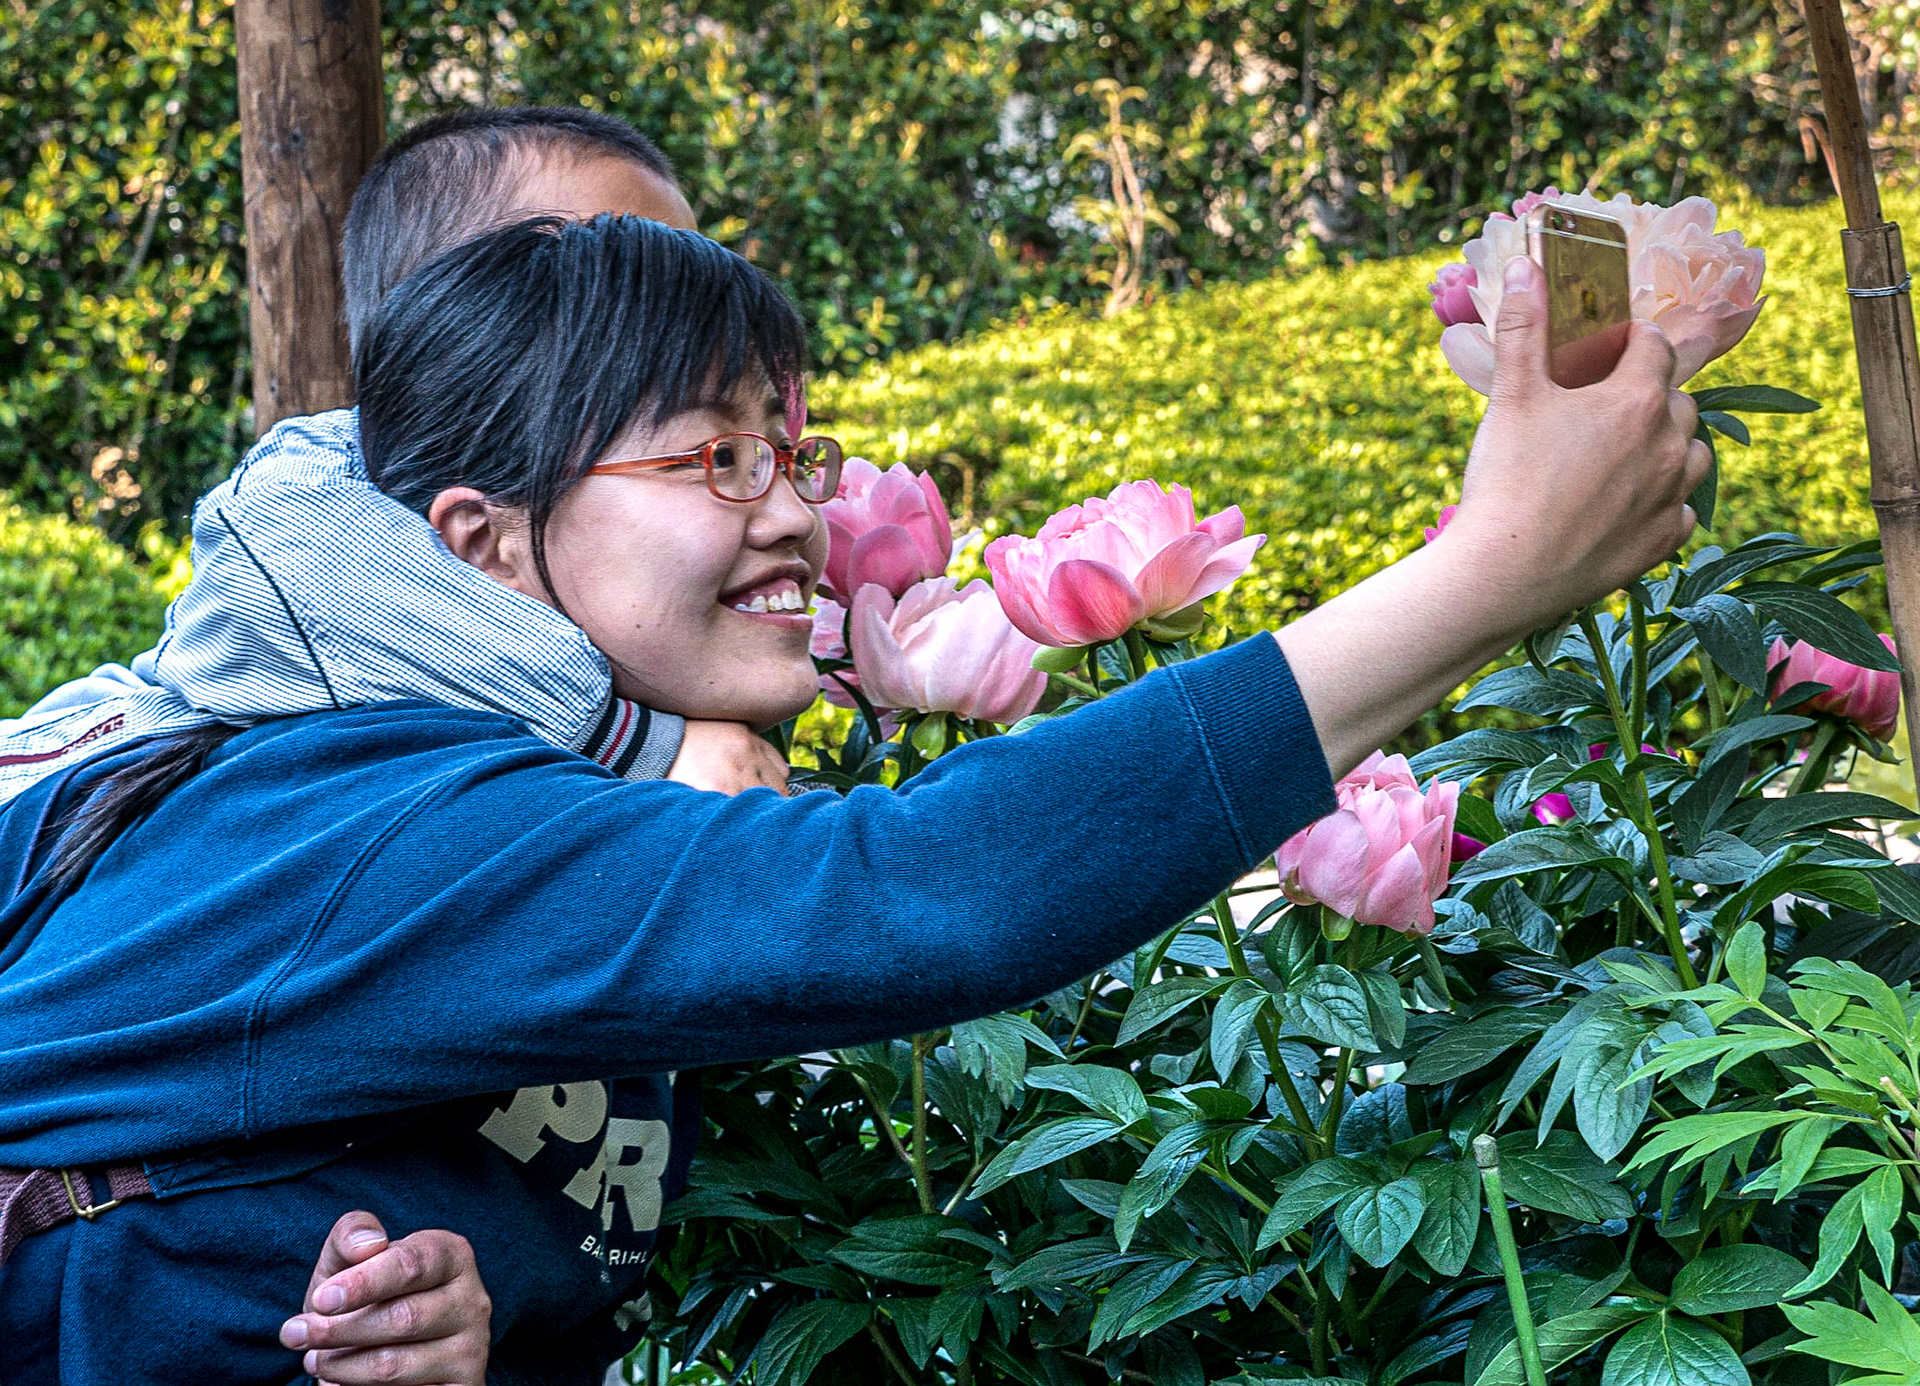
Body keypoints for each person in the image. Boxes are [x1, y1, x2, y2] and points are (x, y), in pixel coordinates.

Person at [0, 209, 1706, 1382]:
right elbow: (916, 890)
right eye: (713, 455)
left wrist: (472, 1281)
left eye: (791, 452)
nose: (799, 516)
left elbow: (333, 1173)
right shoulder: (378, 816)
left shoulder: (449, 770)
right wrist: (1487, 577)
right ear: (482, 537)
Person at [0, 109, 768, 1383]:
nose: (657, 311)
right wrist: (650, 735)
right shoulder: (323, 499)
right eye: (591, 266)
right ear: (447, 332)